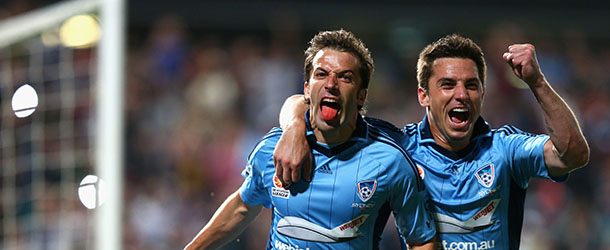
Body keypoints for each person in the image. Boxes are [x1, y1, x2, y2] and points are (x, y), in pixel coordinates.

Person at [273, 34, 590, 249]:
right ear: (423, 95)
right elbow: (314, 102)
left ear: (482, 94)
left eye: (471, 85)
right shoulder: (398, 147)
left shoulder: (506, 150)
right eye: (448, 85)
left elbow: (573, 153)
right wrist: (293, 130)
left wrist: (536, 81)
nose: (461, 95)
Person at [184, 29, 436, 250]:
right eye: (321, 74)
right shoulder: (274, 147)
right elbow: (243, 206)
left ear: (361, 96)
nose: (331, 84)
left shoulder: (389, 160)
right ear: (306, 89)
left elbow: (421, 239)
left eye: (345, 77)